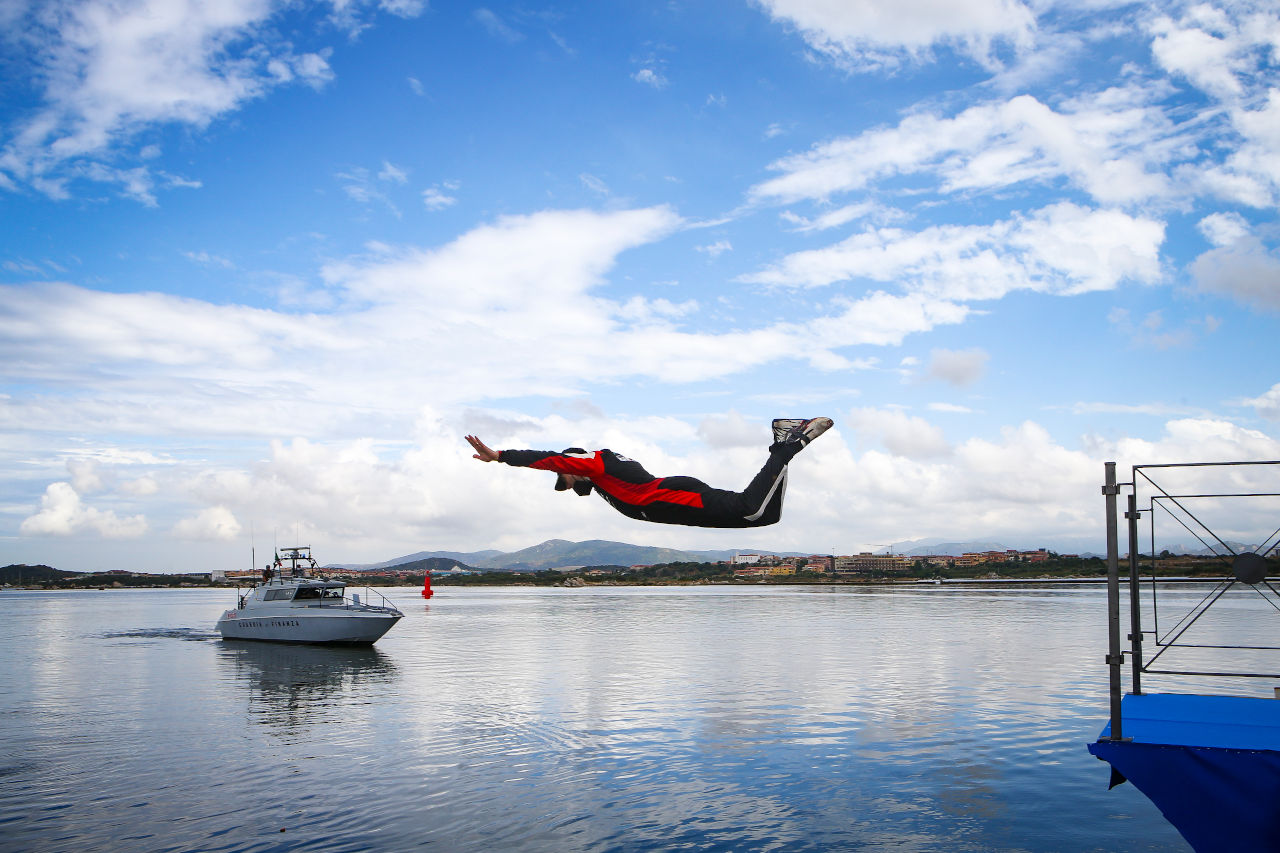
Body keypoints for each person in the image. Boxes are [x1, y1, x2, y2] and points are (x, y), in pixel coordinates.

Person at [465, 417, 833, 528]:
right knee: (766, 517)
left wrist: (501, 456)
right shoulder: (600, 475)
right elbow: (577, 484)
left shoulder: (593, 461)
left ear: (572, 462)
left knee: (750, 508)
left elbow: (549, 459)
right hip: (675, 507)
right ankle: (782, 443)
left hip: (675, 498)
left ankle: (788, 444)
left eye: (566, 474)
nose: (567, 480)